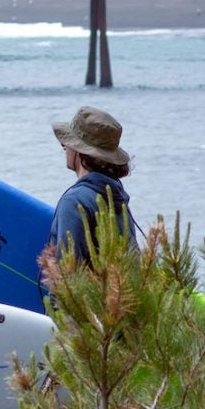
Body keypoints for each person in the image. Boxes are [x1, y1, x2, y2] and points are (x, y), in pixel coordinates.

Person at [45, 105, 137, 291]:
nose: (64, 147)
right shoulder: (118, 200)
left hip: (82, 317)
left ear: (80, 151)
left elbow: (67, 281)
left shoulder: (74, 202)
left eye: (67, 142)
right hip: (118, 316)